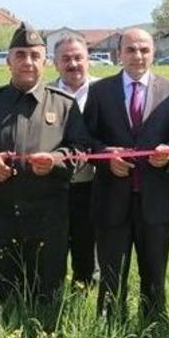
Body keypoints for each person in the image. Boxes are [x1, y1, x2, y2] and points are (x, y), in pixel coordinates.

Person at [0, 22, 89, 314]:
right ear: (8, 60)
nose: (27, 62)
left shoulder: (64, 105)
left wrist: (55, 161)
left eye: (34, 55)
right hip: (1, 215)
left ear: (45, 61)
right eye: (20, 55)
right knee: (2, 293)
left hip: (49, 218)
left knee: (48, 296)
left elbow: (82, 150)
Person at [83, 28, 169, 319]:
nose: (138, 56)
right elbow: (85, 139)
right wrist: (106, 157)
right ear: (119, 53)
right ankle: (109, 330)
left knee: (154, 275)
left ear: (154, 52)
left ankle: (152, 329)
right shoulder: (99, 91)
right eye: (131, 50)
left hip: (156, 201)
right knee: (110, 278)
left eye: (144, 49)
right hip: (111, 199)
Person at [50, 34, 98, 288]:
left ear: (88, 60)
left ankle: (86, 291)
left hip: (94, 182)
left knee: (88, 243)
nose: (73, 64)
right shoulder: (44, 93)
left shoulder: (105, 91)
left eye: (78, 57)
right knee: (53, 243)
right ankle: (50, 292)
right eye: (66, 58)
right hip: (53, 184)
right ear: (55, 63)